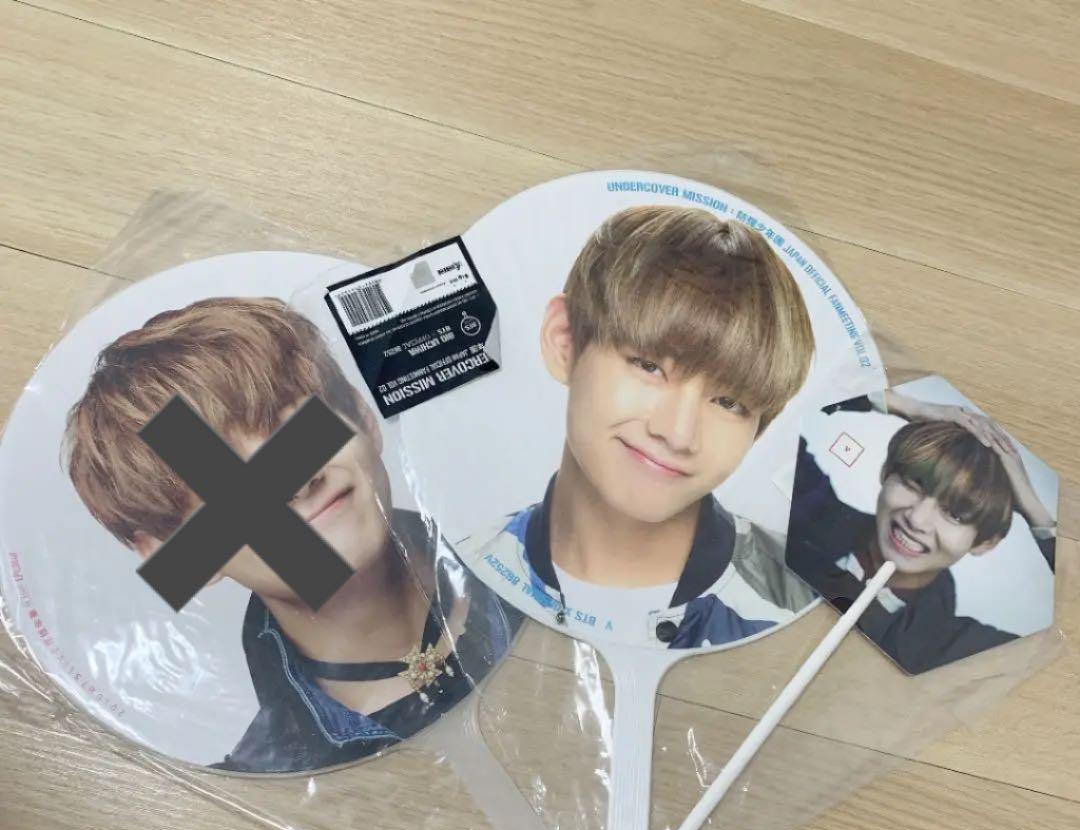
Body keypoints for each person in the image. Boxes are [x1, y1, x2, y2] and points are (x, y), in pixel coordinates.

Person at [64, 297, 516, 772]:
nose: (298, 480)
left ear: (363, 420)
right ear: (178, 555)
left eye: (295, 428)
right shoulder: (261, 780)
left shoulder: (543, 551)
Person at [464, 204, 817, 648]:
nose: (678, 433)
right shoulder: (465, 575)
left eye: (729, 402)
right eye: (649, 366)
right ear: (565, 340)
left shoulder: (806, 603)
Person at [788, 389, 1057, 674]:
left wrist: (1037, 513)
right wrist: (906, 405)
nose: (917, 519)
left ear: (986, 542)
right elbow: (777, 404)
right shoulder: (809, 505)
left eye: (955, 514)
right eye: (914, 484)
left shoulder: (956, 650)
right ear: (887, 472)